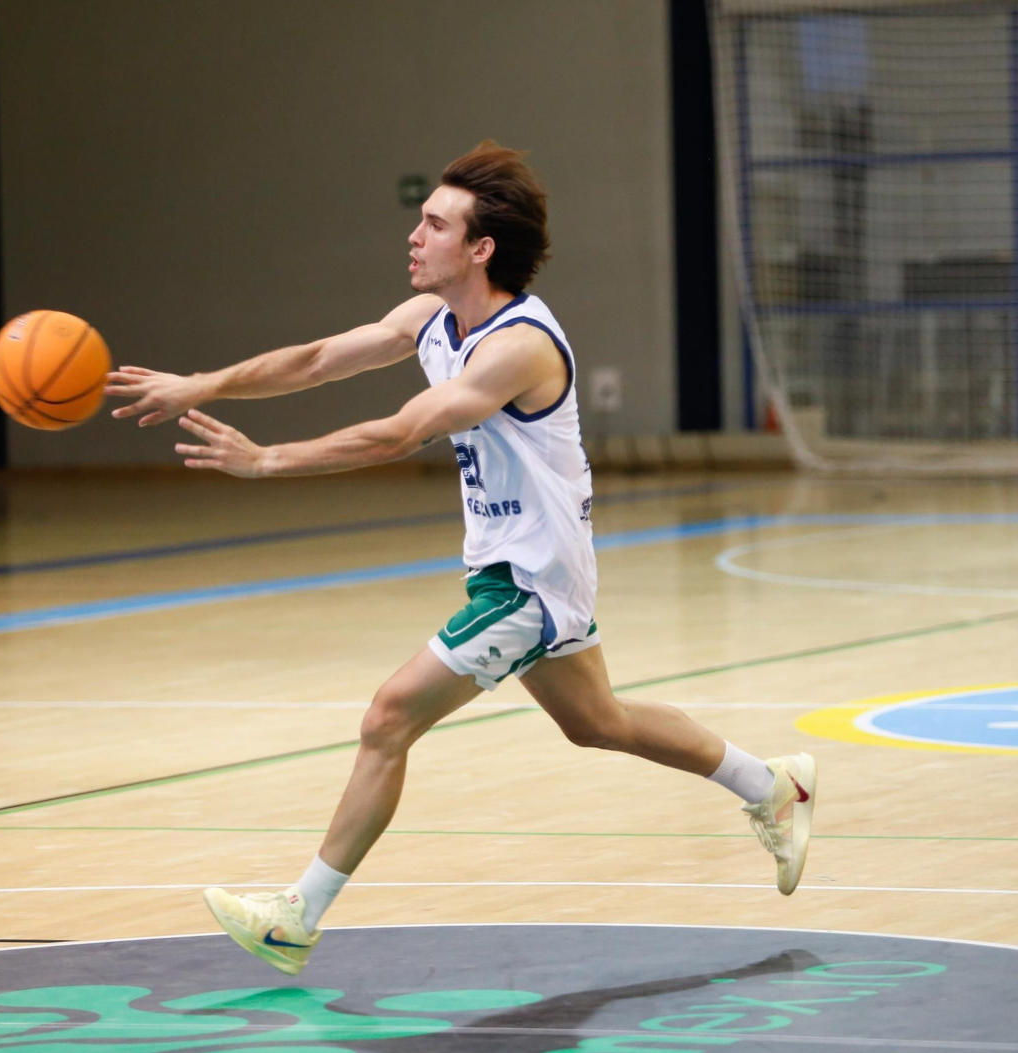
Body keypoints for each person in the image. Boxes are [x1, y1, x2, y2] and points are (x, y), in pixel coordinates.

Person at [104, 141, 816, 975]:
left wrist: (266, 461)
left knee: (388, 716)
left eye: (435, 224)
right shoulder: (432, 321)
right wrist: (203, 383)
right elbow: (318, 359)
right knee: (599, 723)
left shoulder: (519, 345)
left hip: (531, 580)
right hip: (521, 562)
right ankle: (772, 786)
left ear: (481, 248)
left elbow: (402, 431)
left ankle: (298, 914)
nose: (415, 236)